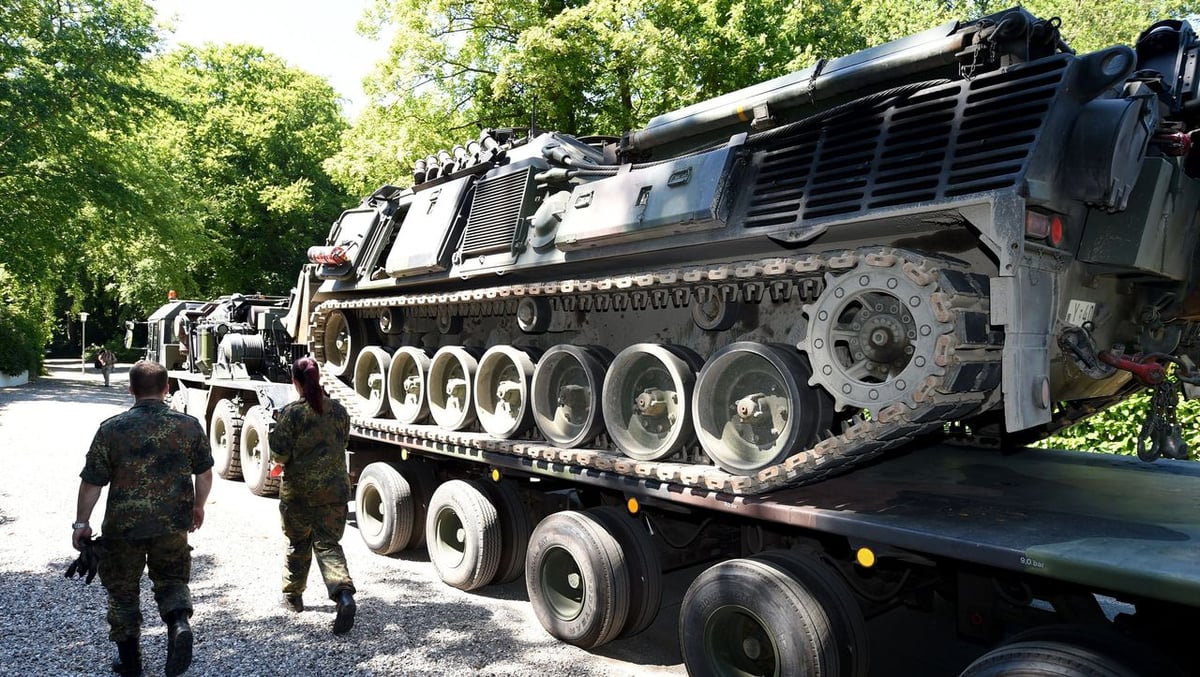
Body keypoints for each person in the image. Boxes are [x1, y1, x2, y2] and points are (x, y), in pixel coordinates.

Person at [73, 360, 214, 677]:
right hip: (172, 524)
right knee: (171, 580)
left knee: (123, 591)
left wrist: (82, 524)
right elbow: (204, 474)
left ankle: (130, 662)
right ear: (167, 389)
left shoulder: (111, 429)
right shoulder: (189, 426)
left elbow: (92, 483)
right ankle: (178, 623)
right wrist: (198, 506)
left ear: (131, 389)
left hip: (124, 528)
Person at [269, 355, 357, 634]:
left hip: (299, 493)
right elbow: (341, 443)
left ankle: (293, 596)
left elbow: (279, 454)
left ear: (295, 382)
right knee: (328, 544)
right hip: (335, 491)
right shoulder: (340, 411)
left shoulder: (291, 413)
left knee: (298, 542)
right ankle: (343, 594)